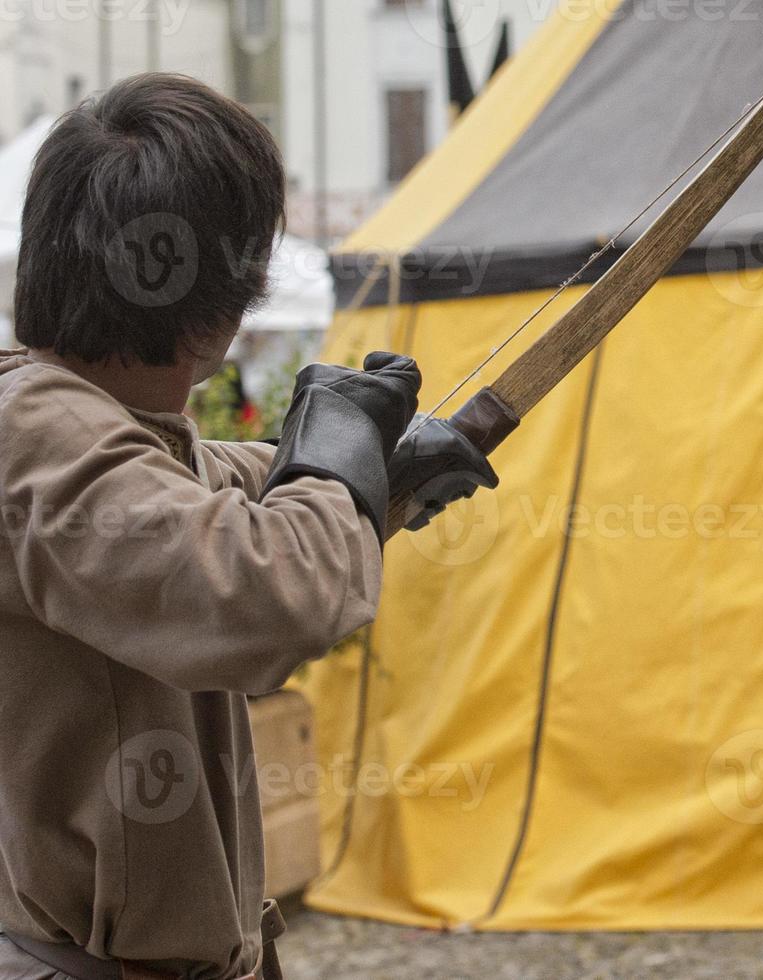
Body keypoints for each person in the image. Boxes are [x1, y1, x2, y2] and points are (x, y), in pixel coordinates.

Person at [0, 74, 495, 980]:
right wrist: (339, 452)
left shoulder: (90, 426)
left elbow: (213, 489)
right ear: (223, 307)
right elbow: (269, 594)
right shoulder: (40, 439)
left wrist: (375, 481)